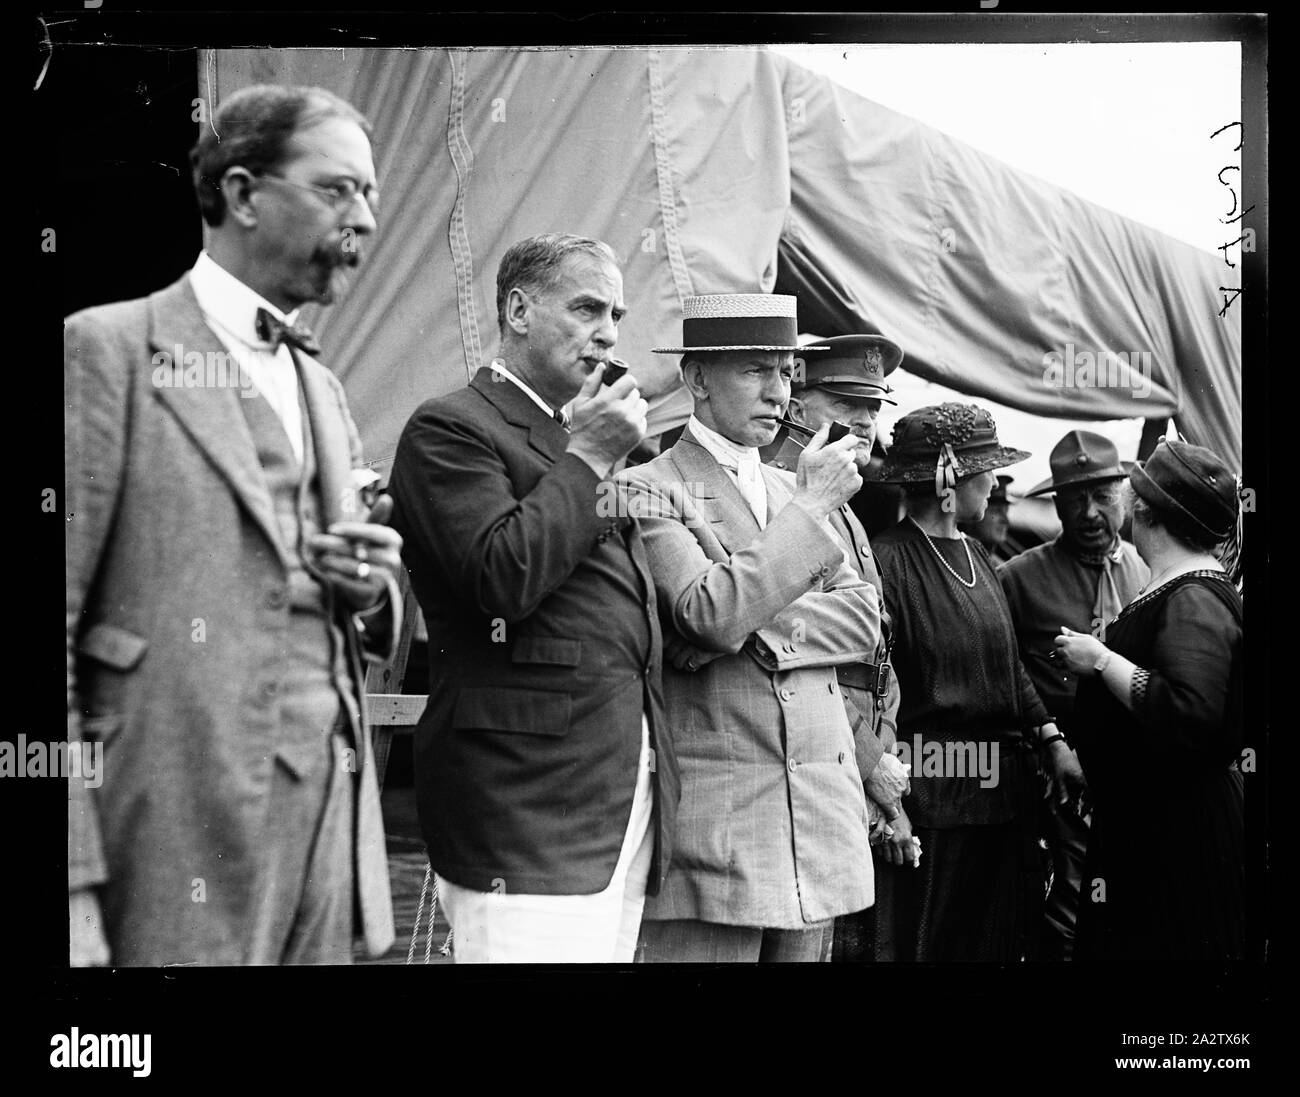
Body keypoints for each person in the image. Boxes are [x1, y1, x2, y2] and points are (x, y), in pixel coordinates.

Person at [65, 84, 402, 966]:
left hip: (326, 812)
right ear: (244, 194)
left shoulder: (321, 386)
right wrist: (70, 888)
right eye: (337, 190)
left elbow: (350, 615)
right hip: (167, 820)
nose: (363, 218)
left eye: (370, 194)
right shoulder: (106, 350)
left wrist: (362, 586)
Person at [386, 233, 679, 963]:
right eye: (586, 307)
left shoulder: (578, 436)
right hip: (525, 808)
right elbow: (501, 577)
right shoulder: (451, 426)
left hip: (611, 800)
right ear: (518, 309)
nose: (609, 331)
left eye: (615, 312)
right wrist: (589, 457)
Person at [617, 294, 880, 962]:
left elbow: (865, 623)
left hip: (816, 826)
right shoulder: (648, 486)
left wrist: (744, 625)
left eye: (787, 371)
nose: (779, 391)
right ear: (696, 378)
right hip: (718, 832)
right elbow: (707, 613)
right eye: (755, 370)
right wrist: (808, 519)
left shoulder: (797, 488)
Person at [864, 403, 1084, 961]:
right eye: (983, 466)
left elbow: (1009, 667)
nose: (992, 478)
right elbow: (870, 692)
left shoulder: (980, 556)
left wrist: (1051, 738)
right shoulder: (885, 561)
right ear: (947, 480)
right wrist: (891, 807)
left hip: (1003, 801)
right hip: (933, 807)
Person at [1055, 438, 1244, 964]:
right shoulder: (1178, 587)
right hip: (1150, 826)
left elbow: (1190, 711)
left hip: (1178, 839)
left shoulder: (1193, 597)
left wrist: (1100, 660)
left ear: (1148, 514)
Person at [758, 334, 914, 959]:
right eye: (846, 400)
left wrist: (884, 749)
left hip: (846, 765)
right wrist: (873, 755)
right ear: (795, 400)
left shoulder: (845, 507)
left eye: (874, 406)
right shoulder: (778, 494)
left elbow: (877, 650)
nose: (865, 420)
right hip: (804, 762)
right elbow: (795, 652)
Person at [998, 431, 1149, 959]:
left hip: (1136, 777)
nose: (1089, 512)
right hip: (1054, 778)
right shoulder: (1015, 579)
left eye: (1102, 497)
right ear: (1056, 504)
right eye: (1073, 499)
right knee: (1064, 911)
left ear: (1126, 496)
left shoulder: (1152, 574)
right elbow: (1002, 670)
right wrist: (1049, 742)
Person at [960, 474, 1015, 562]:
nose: (1006, 521)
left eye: (1006, 511)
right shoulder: (959, 559)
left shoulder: (997, 565)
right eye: (996, 511)